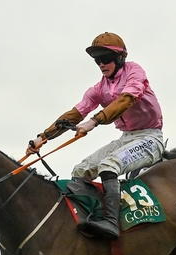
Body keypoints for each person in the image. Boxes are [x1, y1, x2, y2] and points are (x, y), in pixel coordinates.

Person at [27, 32, 164, 240]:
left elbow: (126, 100)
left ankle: (111, 222)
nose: (101, 64)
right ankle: (95, 215)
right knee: (80, 171)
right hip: (126, 138)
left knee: (109, 165)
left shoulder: (135, 72)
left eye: (105, 59)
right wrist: (42, 138)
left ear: (120, 58)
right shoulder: (100, 88)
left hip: (149, 139)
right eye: (97, 60)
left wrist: (94, 121)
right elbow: (75, 113)